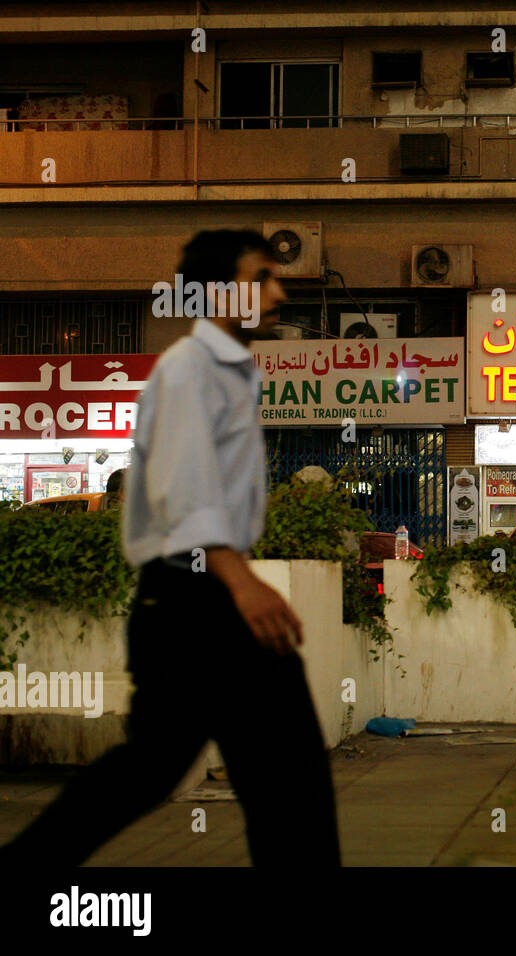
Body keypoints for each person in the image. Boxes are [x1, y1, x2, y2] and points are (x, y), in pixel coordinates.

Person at [0, 230, 340, 867]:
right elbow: (185, 490)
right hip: (195, 599)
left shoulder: (232, 371)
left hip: (194, 601)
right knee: (269, 779)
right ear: (214, 294)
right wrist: (241, 581)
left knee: (193, 771)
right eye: (260, 278)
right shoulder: (189, 370)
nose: (278, 291)